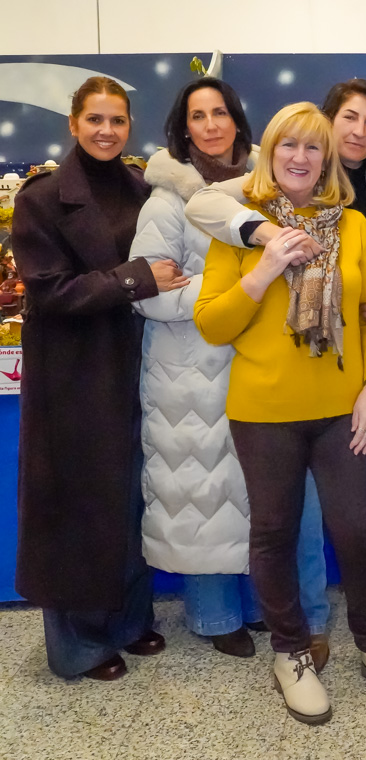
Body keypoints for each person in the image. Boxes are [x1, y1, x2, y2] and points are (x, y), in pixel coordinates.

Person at [185, 81, 366, 657]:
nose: (358, 130)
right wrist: (264, 242)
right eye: (349, 117)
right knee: (290, 519)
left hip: (359, 373)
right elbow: (207, 232)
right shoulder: (252, 209)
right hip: (274, 398)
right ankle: (310, 623)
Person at [12, 77, 187, 680]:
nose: (106, 131)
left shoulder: (143, 188)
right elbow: (50, 291)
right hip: (72, 373)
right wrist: (135, 279)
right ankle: (78, 643)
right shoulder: (42, 198)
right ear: (73, 123)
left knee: (131, 497)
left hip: (133, 361)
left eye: (117, 120)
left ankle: (128, 621)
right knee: (77, 505)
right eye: (95, 119)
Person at [129, 78, 268, 658]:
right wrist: (230, 294)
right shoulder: (166, 202)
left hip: (255, 365)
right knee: (200, 493)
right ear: (183, 129)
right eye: (198, 115)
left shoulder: (265, 188)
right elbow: (148, 293)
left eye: (220, 113)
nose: (211, 125)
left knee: (253, 491)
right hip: (186, 371)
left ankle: (259, 603)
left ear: (237, 120)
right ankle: (214, 616)